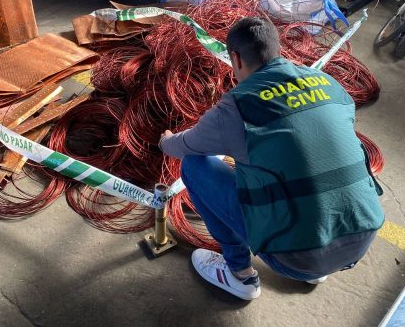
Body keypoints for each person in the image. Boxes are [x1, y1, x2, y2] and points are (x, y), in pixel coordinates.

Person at [159, 17, 384, 301]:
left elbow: (181, 148)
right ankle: (319, 261)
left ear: (236, 58)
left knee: (194, 166)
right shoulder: (329, 83)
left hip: (292, 259)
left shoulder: (237, 107)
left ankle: (239, 275)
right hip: (363, 239)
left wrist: (165, 139)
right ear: (278, 49)